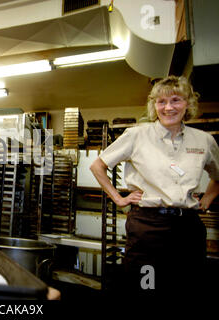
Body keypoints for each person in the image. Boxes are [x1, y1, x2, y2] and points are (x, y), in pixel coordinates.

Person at [90, 75, 219, 292]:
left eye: (176, 100)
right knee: (145, 287)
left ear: (187, 103)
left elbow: (218, 175)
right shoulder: (137, 135)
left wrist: (207, 199)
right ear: (154, 106)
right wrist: (118, 198)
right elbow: (97, 166)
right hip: (148, 228)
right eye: (161, 102)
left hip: (187, 229)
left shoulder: (204, 140)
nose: (168, 107)